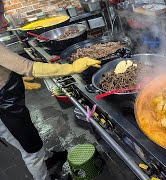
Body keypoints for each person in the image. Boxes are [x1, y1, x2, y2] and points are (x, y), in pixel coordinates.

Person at [0, 0, 101, 179]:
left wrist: (16, 81)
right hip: (4, 110)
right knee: (30, 149)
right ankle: (43, 174)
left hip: (8, 100)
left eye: (2, 15)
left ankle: (48, 157)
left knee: (30, 134)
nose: (5, 22)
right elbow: (30, 67)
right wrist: (71, 68)